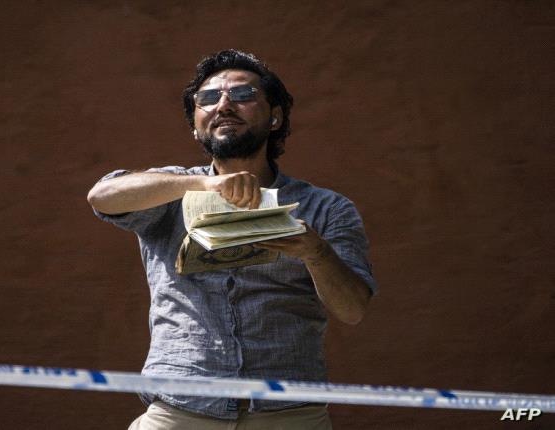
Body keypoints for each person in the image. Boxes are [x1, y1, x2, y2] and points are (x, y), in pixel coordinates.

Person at [87, 49, 377, 430]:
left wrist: (314, 251)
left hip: (289, 415)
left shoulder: (326, 208)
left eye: (242, 95)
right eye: (208, 98)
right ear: (195, 126)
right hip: (178, 410)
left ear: (275, 117)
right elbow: (101, 196)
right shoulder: (170, 193)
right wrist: (202, 184)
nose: (223, 105)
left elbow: (352, 310)